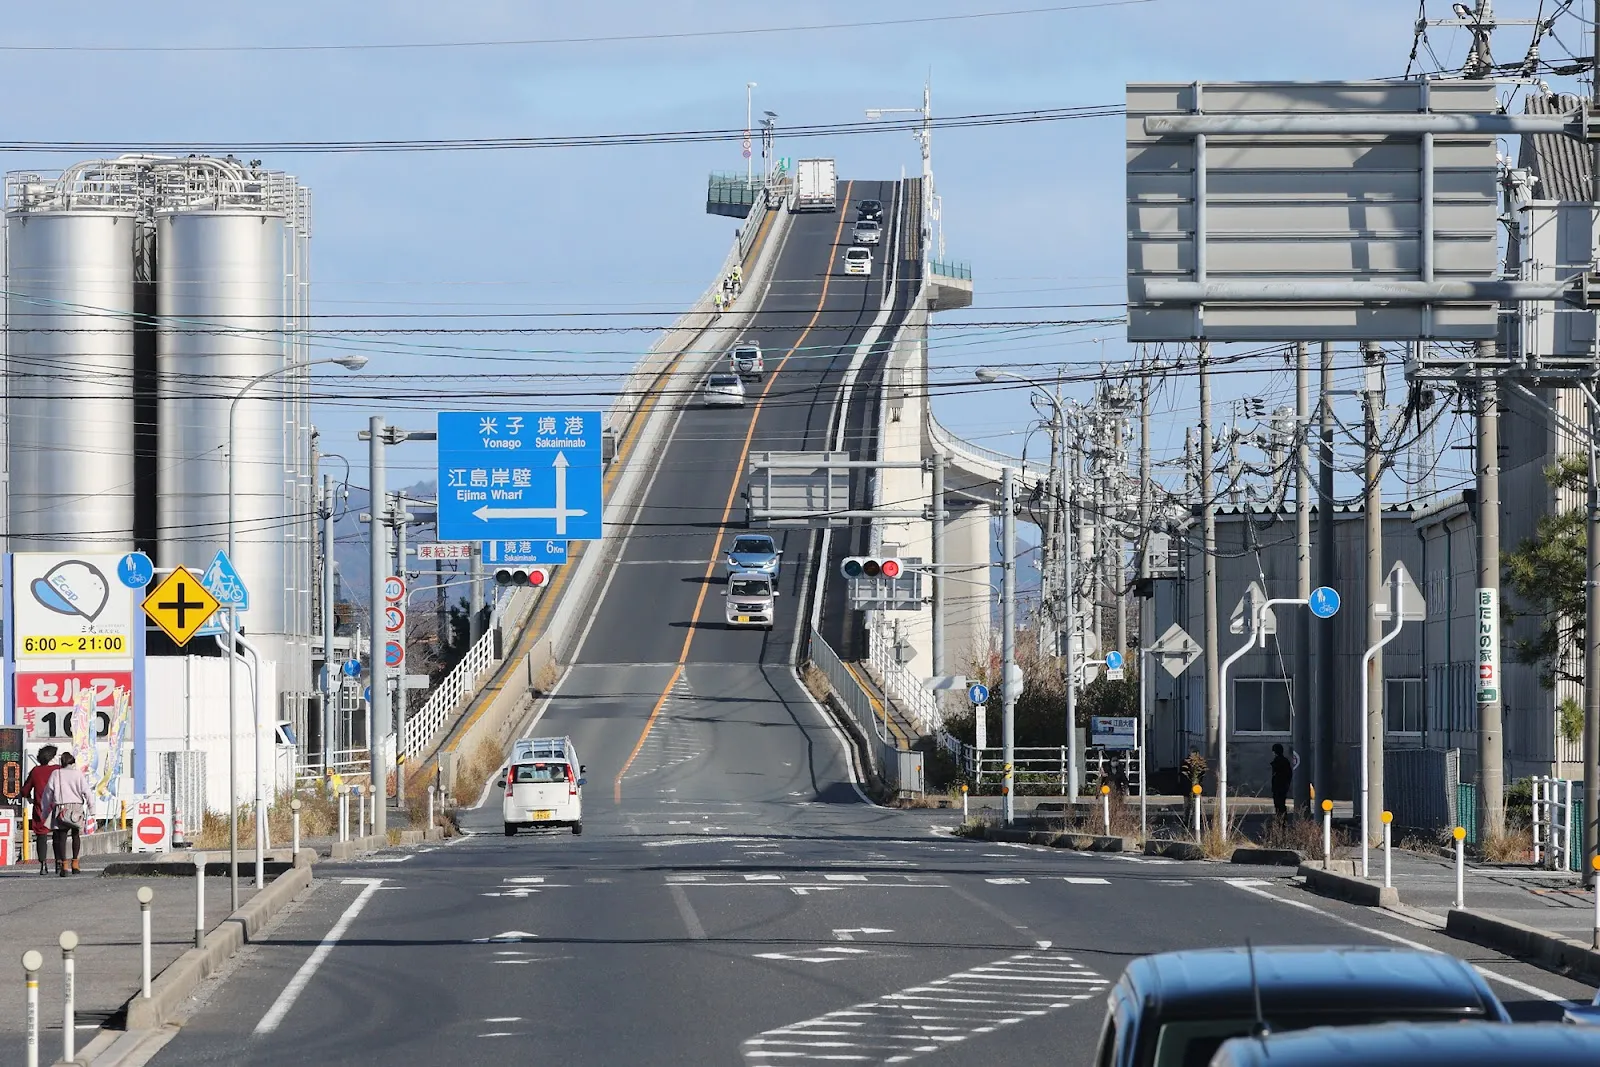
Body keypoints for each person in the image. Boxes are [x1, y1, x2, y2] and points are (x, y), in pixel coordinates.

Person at [49, 751, 92, 876]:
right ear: (72, 763)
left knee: (62, 836)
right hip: (77, 807)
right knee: (75, 834)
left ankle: (64, 865)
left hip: (61, 807)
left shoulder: (56, 774)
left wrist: (45, 808)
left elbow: (48, 792)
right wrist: (92, 808)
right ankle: (75, 864)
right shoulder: (78, 774)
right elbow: (87, 792)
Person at [19, 745, 57, 876]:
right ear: (52, 757)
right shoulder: (57, 770)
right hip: (57, 808)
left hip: (40, 809)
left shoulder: (35, 771)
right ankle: (59, 862)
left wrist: (29, 798)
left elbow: (24, 790)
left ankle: (43, 864)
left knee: (41, 837)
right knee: (59, 835)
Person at [1270, 743, 1293, 818]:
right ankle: (1283, 820)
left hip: (1278, 787)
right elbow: (1289, 774)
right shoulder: (1286, 761)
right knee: (1282, 804)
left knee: (1278, 805)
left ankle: (1280, 820)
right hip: (1284, 786)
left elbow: (1275, 774)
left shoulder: (1277, 762)